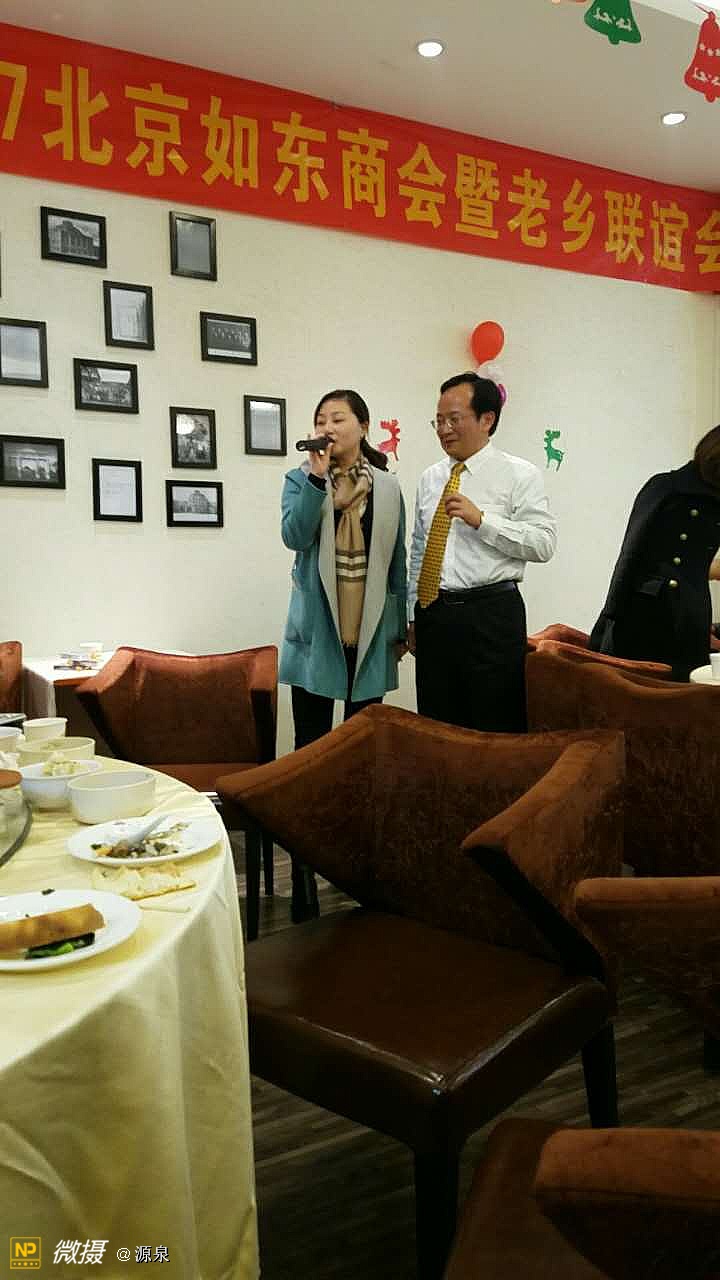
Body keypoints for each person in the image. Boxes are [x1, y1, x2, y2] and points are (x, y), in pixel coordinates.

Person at [280, 388, 407, 919]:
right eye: (320, 420)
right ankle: (304, 866)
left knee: (361, 755)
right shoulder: (301, 479)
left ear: (362, 426)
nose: (327, 428)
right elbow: (294, 536)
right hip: (318, 633)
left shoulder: (389, 488)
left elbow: (397, 561)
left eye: (337, 418)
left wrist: (402, 626)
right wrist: (316, 481)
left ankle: (358, 862)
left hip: (370, 630)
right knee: (309, 754)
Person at [408, 372, 556, 732]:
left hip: (491, 616)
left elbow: (543, 543)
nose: (444, 430)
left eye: (454, 419)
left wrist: (483, 521)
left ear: (487, 419)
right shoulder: (430, 478)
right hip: (434, 614)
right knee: (436, 726)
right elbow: (419, 549)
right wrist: (413, 613)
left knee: (495, 725)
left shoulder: (519, 475)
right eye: (438, 421)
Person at [589, 425, 720, 680]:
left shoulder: (712, 501)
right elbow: (630, 556)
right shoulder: (666, 488)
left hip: (691, 613)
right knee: (638, 689)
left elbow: (694, 562)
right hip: (649, 612)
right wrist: (608, 620)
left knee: (682, 693)